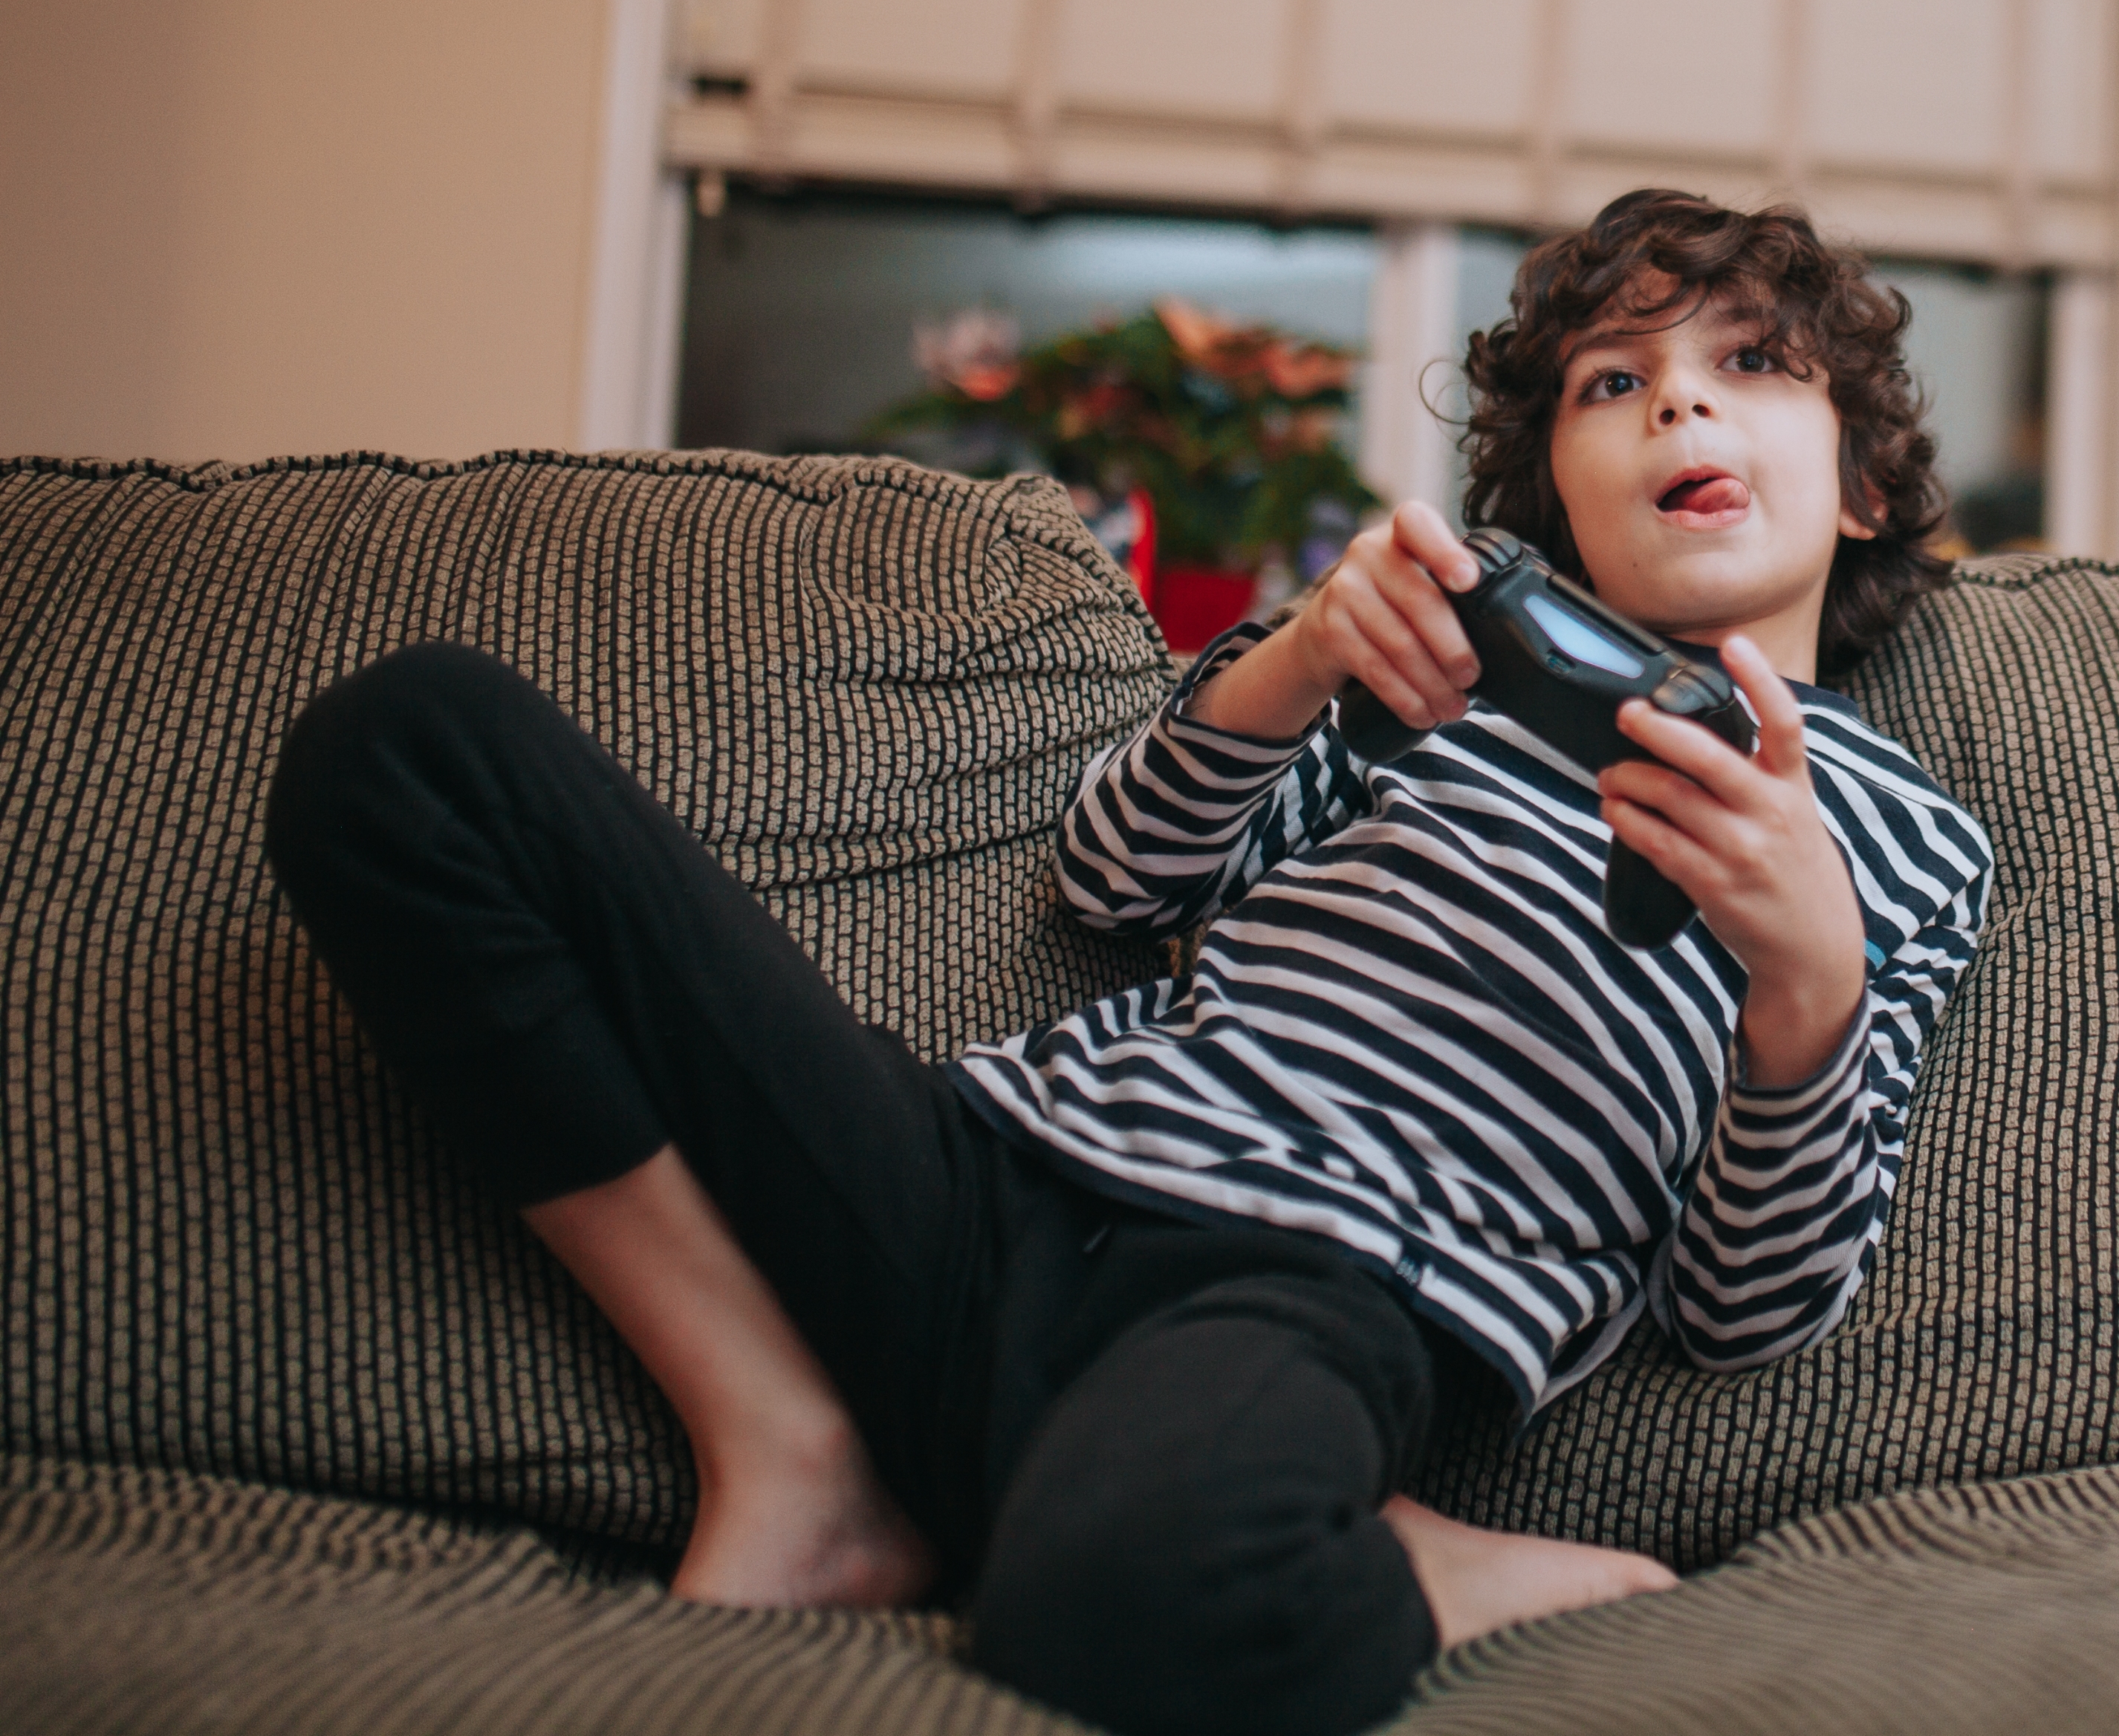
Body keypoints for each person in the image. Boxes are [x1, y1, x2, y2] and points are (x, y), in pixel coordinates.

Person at [264, 189, 1995, 1736]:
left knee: (1119, 1608)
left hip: (1313, 1285)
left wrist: (1805, 988)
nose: (1677, 397)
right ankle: (785, 1440)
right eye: (1612, 383)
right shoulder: (1421, 679)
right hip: (988, 1175)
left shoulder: (1903, 841)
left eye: (1749, 363)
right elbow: (1111, 873)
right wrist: (1307, 654)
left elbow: (1748, 1306)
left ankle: (1430, 1569)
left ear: (1855, 490)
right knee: (410, 753)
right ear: (1550, 492)